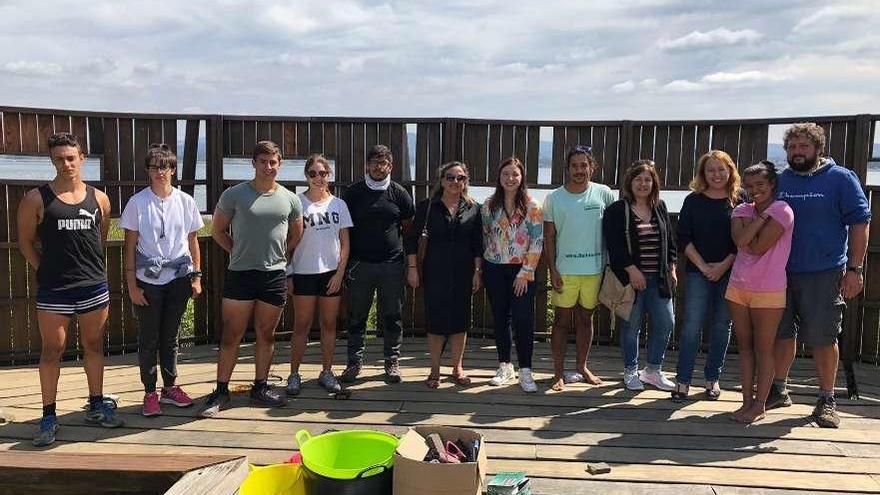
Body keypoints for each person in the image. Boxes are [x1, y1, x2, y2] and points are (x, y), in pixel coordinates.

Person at [17, 132, 121, 447]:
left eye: (71, 158)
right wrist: (46, 271)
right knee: (52, 351)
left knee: (93, 346)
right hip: (54, 291)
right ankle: (48, 415)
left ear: (81, 159)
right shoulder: (36, 199)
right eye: (60, 158)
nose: (66, 164)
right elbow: (25, 243)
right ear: (52, 160)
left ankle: (96, 404)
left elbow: (99, 239)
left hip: (93, 288)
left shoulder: (99, 199)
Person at [770, 123, 871, 428]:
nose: (797, 152)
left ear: (818, 148)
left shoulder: (840, 179)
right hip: (779, 272)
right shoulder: (779, 180)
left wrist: (855, 269)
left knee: (824, 338)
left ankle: (826, 399)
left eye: (803, 146)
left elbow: (860, 223)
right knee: (781, 333)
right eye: (791, 147)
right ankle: (778, 388)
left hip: (824, 273)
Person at [199, 140, 303, 418]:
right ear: (253, 163)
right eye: (263, 162)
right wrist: (237, 251)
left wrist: (282, 255)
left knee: (266, 335)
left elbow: (296, 234)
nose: (268, 167)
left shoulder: (290, 199)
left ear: (280, 164)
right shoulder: (234, 195)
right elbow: (219, 231)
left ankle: (261, 388)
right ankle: (222, 391)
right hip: (240, 275)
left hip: (273, 276)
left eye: (273, 162)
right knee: (231, 335)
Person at [121, 144, 203, 417]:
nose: (160, 172)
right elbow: (130, 245)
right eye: (155, 167)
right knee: (148, 339)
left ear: (173, 169)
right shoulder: (137, 202)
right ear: (148, 170)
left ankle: (170, 387)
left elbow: (193, 242)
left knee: (171, 337)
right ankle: (149, 392)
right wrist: (132, 285)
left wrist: (196, 277)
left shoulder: (186, 201)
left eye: (165, 166)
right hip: (148, 279)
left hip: (179, 278)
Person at [726, 161, 794, 423]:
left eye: (760, 185)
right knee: (744, 349)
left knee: (764, 349)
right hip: (738, 288)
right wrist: (763, 216)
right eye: (750, 186)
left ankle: (760, 405)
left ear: (772, 185)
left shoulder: (784, 210)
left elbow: (757, 247)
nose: (754, 190)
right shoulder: (742, 208)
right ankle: (746, 403)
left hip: (769, 289)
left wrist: (757, 219)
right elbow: (741, 241)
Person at [340, 145, 415, 384]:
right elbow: (343, 229)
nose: (378, 167)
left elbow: (408, 227)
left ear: (390, 166)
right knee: (356, 316)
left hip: (392, 265)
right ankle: (354, 363)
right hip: (359, 265)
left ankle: (391, 363)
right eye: (374, 162)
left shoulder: (400, 193)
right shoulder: (353, 193)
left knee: (393, 316)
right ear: (366, 165)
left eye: (383, 163)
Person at [543, 145, 615, 391]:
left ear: (591, 167)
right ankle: (558, 373)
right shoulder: (554, 198)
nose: (579, 170)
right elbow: (549, 237)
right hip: (565, 271)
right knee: (561, 322)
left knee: (586, 319)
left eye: (584, 165)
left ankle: (582, 367)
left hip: (595, 270)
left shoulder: (604, 194)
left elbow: (614, 231)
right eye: (574, 166)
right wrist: (552, 269)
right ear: (567, 168)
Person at [405, 162, 483, 389]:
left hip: (463, 272)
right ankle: (435, 368)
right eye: (450, 177)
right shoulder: (428, 207)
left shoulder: (473, 208)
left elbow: (478, 243)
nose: (455, 182)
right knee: (435, 320)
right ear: (441, 180)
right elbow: (411, 240)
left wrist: (478, 272)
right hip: (434, 271)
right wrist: (412, 269)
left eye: (460, 178)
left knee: (460, 320)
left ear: (465, 182)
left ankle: (458, 367)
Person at [602, 160, 677, 391]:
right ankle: (630, 371)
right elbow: (614, 245)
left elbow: (670, 241)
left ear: (654, 183)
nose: (643, 184)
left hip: (659, 279)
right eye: (638, 179)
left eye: (647, 179)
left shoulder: (660, 207)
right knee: (631, 326)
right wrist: (632, 270)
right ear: (629, 182)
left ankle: (653, 370)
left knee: (666, 322)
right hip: (631, 281)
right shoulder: (618, 209)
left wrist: (672, 267)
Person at [672, 150, 740, 401]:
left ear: (730, 171)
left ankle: (712, 379)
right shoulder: (693, 201)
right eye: (710, 170)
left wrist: (722, 266)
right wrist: (703, 267)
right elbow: (684, 238)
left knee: (722, 325)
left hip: (730, 272)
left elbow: (742, 242)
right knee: (691, 326)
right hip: (698, 272)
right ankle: (683, 380)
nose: (716, 174)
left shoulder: (739, 200)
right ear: (703, 173)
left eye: (721, 169)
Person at [285, 154, 353, 396]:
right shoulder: (296, 202)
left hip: (331, 274)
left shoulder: (339, 205)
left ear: (329, 175)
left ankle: (326, 371)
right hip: (304, 272)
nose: (317, 178)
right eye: (312, 173)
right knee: (301, 325)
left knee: (328, 325)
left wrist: (340, 273)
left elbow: (345, 243)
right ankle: (294, 374)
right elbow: (288, 242)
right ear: (306, 175)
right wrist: (289, 273)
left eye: (322, 173)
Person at [481, 157, 544, 393]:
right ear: (499, 176)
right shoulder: (489, 204)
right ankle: (505, 365)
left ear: (522, 177)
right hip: (494, 267)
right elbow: (486, 235)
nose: (510, 178)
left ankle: (525, 370)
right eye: (506, 174)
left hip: (522, 271)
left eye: (515, 174)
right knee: (500, 318)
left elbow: (537, 241)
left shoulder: (532, 205)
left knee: (523, 319)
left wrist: (525, 272)